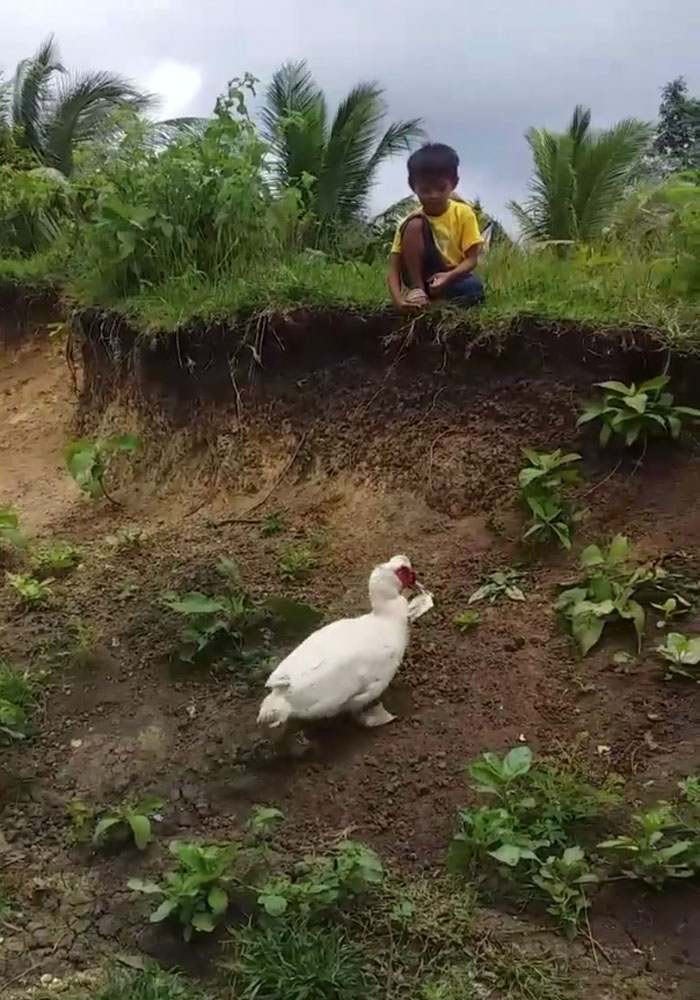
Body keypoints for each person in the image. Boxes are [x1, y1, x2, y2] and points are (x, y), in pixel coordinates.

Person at [387, 143, 485, 309]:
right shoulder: (410, 221)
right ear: (413, 187)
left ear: (454, 183)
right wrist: (398, 301)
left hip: (453, 277)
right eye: (425, 190)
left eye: (440, 188)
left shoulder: (464, 213)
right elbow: (394, 267)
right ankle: (417, 292)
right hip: (423, 277)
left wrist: (449, 276)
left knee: (474, 289)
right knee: (414, 225)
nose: (434, 195)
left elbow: (472, 259)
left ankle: (437, 305)